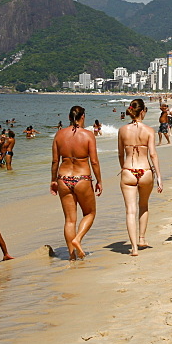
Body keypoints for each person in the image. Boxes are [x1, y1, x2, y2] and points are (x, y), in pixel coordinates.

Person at [50, 106, 102, 260]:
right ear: (83, 117)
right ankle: (78, 239)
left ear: (69, 117)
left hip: (63, 179)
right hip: (82, 178)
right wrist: (99, 180)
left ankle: (72, 256)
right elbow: (94, 161)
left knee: (69, 220)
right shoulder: (88, 135)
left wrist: (53, 180)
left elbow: (54, 161)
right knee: (90, 213)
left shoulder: (59, 135)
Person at [117, 99, 162, 256]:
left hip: (128, 170)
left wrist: (123, 168)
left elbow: (120, 154)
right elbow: (152, 154)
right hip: (145, 170)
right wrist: (159, 177)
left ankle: (134, 248)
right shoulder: (149, 130)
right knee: (143, 205)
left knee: (130, 210)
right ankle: (142, 238)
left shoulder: (122, 130)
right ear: (143, 111)